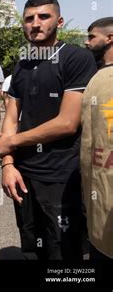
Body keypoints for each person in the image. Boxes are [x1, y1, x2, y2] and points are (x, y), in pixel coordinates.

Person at [0, 0, 97, 260]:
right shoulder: (22, 64)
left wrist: (12, 143)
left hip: (61, 176)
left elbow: (67, 123)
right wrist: (7, 164)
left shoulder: (76, 59)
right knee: (34, 248)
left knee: (64, 253)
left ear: (59, 21)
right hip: (23, 174)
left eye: (44, 16)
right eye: (29, 18)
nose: (36, 23)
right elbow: (10, 116)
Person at [81, 16, 113, 260]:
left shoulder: (98, 80)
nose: (87, 42)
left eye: (92, 37)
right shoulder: (96, 78)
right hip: (99, 217)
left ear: (109, 39)